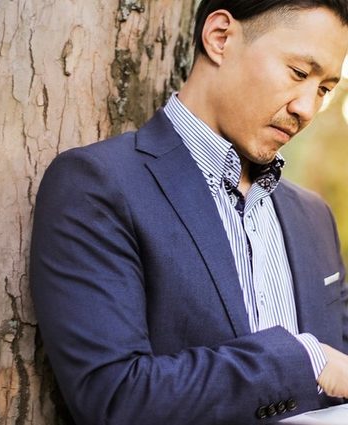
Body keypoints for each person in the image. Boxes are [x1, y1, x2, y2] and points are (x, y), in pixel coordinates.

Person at [29, 1, 348, 424]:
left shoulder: (313, 217)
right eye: (298, 73)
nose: (306, 109)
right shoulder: (98, 184)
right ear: (220, 37)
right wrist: (304, 360)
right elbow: (114, 398)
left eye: (324, 90)